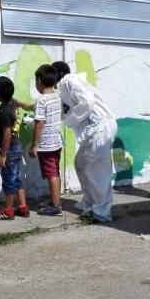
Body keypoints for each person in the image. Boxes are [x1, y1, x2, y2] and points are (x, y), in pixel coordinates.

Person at [52, 61, 117, 223]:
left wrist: (71, 120)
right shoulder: (65, 88)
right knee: (80, 163)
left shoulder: (69, 81)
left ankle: (102, 212)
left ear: (57, 74)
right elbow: (62, 111)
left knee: (98, 171)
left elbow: (86, 103)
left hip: (99, 127)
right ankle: (89, 201)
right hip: (94, 129)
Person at [18, 64, 63, 217]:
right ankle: (55, 199)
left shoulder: (42, 100)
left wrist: (34, 145)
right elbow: (34, 107)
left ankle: (56, 206)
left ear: (39, 81)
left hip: (47, 145)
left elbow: (39, 123)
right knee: (55, 172)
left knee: (51, 174)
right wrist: (19, 103)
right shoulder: (56, 97)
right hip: (57, 143)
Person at [0, 76, 28, 220]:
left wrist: (3, 155)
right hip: (16, 148)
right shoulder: (12, 103)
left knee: (8, 180)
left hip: (9, 150)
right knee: (16, 178)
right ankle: (22, 207)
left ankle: (8, 210)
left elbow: (7, 135)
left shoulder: (5, 112)